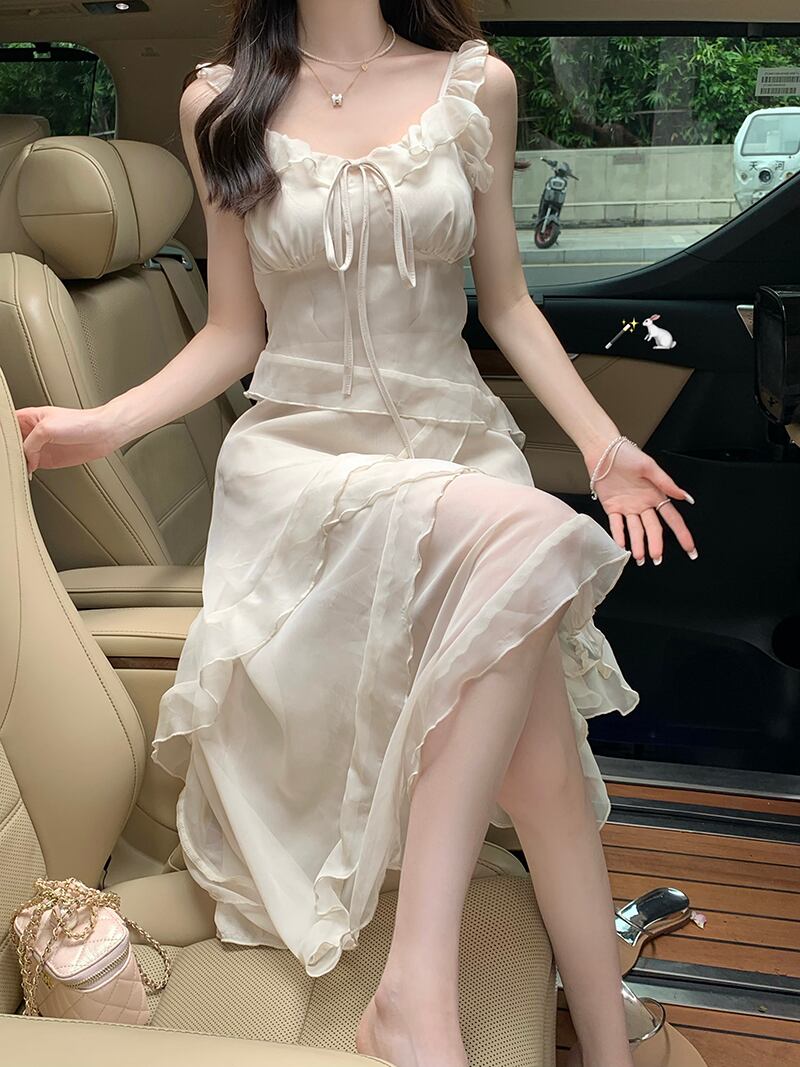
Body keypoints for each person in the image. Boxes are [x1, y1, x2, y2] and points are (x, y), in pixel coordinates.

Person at [15, 3, 705, 1066]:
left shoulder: (477, 86)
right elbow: (234, 329)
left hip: (456, 450)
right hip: (304, 463)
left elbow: (506, 304)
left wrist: (602, 444)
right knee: (530, 535)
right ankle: (418, 991)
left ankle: (594, 1048)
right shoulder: (218, 103)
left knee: (543, 766)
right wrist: (106, 424)